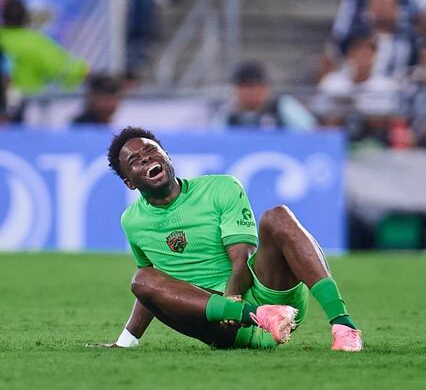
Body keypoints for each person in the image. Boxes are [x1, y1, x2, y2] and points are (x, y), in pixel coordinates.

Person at [100, 126, 362, 351]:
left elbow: (241, 257)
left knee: (278, 216)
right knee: (143, 278)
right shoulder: (132, 221)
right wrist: (126, 340)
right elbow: (152, 289)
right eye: (135, 160)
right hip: (222, 323)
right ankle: (257, 315)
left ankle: (343, 325)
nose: (146, 159)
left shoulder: (221, 188)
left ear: (166, 156)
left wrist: (233, 297)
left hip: (271, 302)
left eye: (151, 150)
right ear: (129, 183)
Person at [0, 0, 88, 95]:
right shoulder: (35, 42)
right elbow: (61, 68)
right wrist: (83, 69)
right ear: (27, 17)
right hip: (27, 104)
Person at [226, 61, 316, 130]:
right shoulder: (230, 116)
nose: (246, 92)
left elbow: (311, 132)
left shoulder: (282, 107)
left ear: (264, 87)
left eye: (251, 86)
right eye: (242, 86)